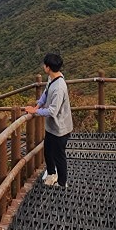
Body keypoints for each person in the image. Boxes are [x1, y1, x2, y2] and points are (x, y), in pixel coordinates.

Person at [25, 52, 73, 188]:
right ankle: (52, 175)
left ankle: (62, 183)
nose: (43, 66)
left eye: (44, 65)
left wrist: (36, 111)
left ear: (48, 67)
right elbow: (45, 94)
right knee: (48, 151)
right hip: (52, 127)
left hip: (61, 128)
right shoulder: (52, 78)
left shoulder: (59, 87)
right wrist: (38, 105)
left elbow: (53, 111)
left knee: (59, 156)